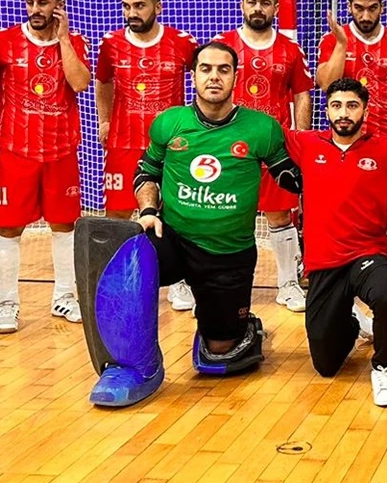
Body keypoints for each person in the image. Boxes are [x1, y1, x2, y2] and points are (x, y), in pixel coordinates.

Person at [84, 41, 302, 407]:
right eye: (206, 69)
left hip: (228, 254)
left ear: (235, 77)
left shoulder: (262, 129)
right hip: (173, 238)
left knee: (219, 355)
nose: (214, 77)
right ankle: (135, 367)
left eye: (223, 69)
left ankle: (242, 328)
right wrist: (148, 210)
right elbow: (146, 173)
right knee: (129, 258)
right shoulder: (170, 123)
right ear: (194, 76)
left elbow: (291, 177)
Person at [283, 77, 387, 406]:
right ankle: (351, 323)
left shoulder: (385, 149)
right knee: (326, 365)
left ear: (365, 110)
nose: (343, 113)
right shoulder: (307, 143)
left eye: (352, 105)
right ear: (326, 110)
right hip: (324, 262)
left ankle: (383, 368)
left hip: (368, 253)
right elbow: (263, 131)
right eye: (336, 106)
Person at [0, 0, 91, 334]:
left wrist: (63, 39)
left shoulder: (76, 42)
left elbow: (80, 83)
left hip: (61, 152)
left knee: (64, 225)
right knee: (8, 228)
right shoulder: (2, 42)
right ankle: (7, 305)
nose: (34, 9)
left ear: (59, 5)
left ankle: (64, 296)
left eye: (42, 2)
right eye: (29, 2)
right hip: (16, 152)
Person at [96, 0, 198, 312]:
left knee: (176, 213)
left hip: (171, 146)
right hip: (124, 143)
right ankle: (115, 283)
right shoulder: (110, 43)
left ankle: (179, 282)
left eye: (139, 6)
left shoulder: (182, 43)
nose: (132, 13)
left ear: (158, 7)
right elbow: (103, 82)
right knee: (118, 214)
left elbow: (203, 78)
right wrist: (105, 120)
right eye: (126, 6)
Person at [215, 0, 314, 313]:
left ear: (276, 7)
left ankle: (287, 285)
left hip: (275, 149)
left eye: (265, 3)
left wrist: (300, 140)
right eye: (252, 2)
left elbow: (302, 94)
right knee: (225, 215)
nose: (258, 8)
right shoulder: (223, 45)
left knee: (280, 215)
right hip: (230, 149)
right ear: (242, 4)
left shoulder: (290, 50)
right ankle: (223, 284)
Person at [317, 0, 387, 262]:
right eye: (359, 8)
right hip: (345, 143)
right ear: (349, 6)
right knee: (343, 205)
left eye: (372, 8)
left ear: (381, 7)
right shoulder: (332, 40)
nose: (365, 16)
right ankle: (344, 266)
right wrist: (341, 44)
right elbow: (326, 84)